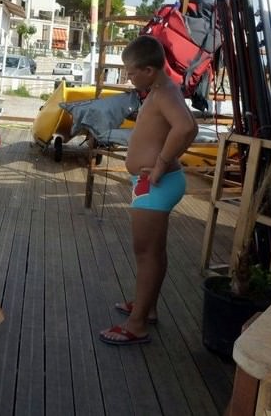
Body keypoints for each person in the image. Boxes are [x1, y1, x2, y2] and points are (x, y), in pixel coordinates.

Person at [99, 35, 198, 345]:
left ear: (150, 70)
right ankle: (147, 308)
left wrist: (160, 164)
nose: (128, 77)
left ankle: (137, 323)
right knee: (153, 251)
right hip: (152, 184)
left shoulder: (165, 92)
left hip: (156, 184)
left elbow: (186, 127)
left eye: (131, 72)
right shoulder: (159, 90)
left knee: (146, 253)